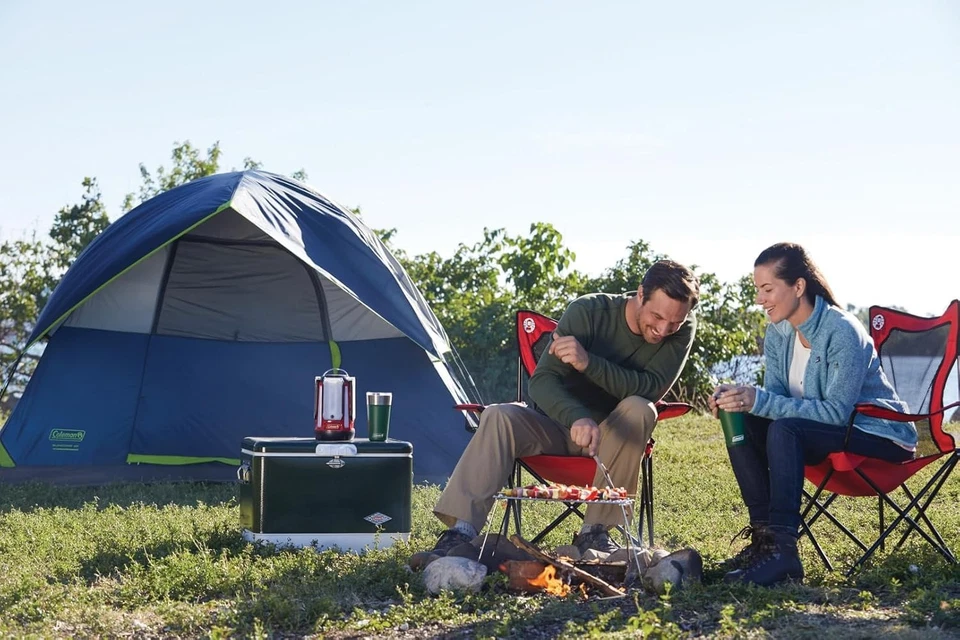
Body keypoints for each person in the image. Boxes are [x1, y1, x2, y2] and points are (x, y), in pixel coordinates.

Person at [431, 260, 700, 555]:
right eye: (657, 316)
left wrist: (588, 363)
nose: (663, 329)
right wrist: (577, 417)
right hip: (557, 428)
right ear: (639, 294)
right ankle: (461, 532)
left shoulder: (682, 327)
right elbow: (543, 381)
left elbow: (650, 389)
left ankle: (595, 533)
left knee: (641, 408)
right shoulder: (588, 312)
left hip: (616, 440)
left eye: (673, 322)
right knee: (498, 415)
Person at [709, 242, 916, 586]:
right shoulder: (777, 332)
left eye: (768, 289)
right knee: (741, 420)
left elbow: (836, 413)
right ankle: (764, 539)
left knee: (786, 429)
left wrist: (759, 401)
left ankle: (784, 554)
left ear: (798, 286)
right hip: (822, 433)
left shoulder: (842, 331)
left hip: (879, 435)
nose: (760, 299)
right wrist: (737, 403)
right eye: (757, 290)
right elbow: (774, 399)